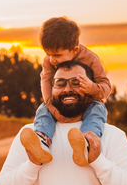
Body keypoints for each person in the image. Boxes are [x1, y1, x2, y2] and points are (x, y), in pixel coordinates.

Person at [22, 16, 114, 168]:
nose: (52, 60)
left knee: (97, 110)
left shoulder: (91, 59)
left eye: (57, 55)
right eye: (48, 54)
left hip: (88, 102)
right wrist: (53, 108)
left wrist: (92, 88)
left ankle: (85, 143)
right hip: (60, 103)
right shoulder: (49, 60)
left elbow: (106, 86)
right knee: (43, 110)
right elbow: (46, 82)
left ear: (75, 50)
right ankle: (41, 142)